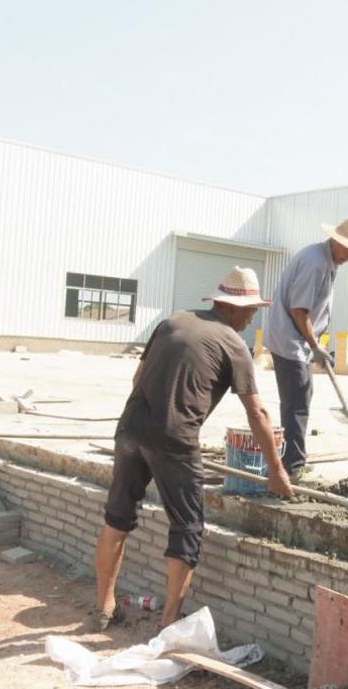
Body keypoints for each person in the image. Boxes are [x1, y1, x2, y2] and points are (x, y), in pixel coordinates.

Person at [89, 266, 293, 631]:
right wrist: (276, 472)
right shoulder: (233, 344)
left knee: (116, 518)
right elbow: (257, 412)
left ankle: (104, 606)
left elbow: (138, 379)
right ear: (233, 308)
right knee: (187, 527)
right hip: (175, 439)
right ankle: (169, 624)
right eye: (250, 311)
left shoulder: (172, 321)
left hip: (130, 426)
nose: (251, 318)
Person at [263, 217, 348, 479]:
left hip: (296, 339)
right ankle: (292, 467)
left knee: (300, 397)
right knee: (297, 401)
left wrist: (314, 345)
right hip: (289, 340)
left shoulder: (327, 261)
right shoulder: (315, 263)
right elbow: (299, 310)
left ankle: (291, 459)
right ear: (336, 240)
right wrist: (315, 346)